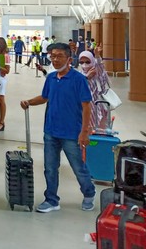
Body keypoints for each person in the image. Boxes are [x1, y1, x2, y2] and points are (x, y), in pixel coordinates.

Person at [20, 43, 96, 213]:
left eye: (59, 56)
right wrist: (29, 102)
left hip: (71, 133)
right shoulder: (51, 78)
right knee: (50, 168)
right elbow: (45, 97)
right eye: (52, 56)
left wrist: (84, 132)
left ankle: (89, 193)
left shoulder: (78, 80)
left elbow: (86, 106)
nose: (55, 59)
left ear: (69, 59)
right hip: (51, 132)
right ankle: (52, 200)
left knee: (78, 167)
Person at [78, 51, 112, 131]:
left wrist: (97, 56)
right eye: (81, 62)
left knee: (97, 130)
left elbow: (100, 68)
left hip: (96, 106)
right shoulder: (78, 75)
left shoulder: (96, 73)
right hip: (82, 106)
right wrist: (86, 77)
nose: (84, 64)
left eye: (87, 62)